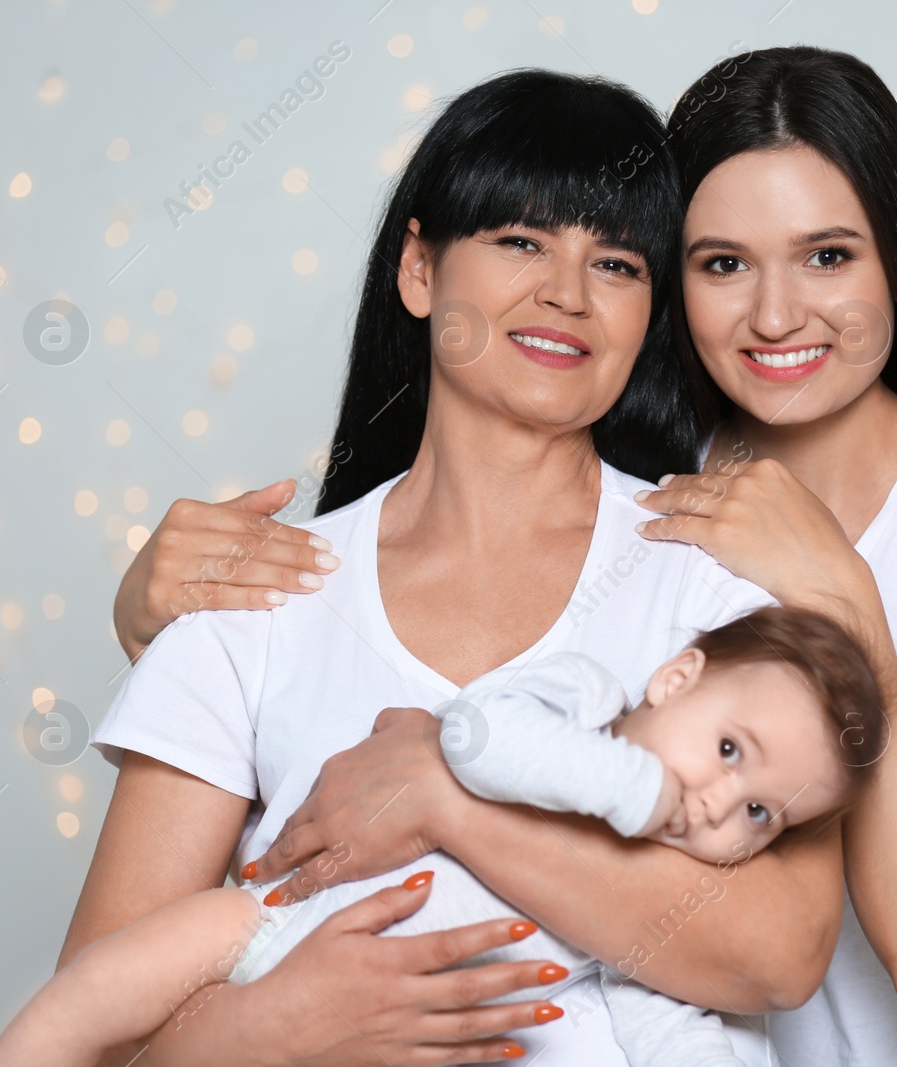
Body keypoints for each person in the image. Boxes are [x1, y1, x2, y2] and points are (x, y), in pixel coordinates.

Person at [114, 47, 897, 1066]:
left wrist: (843, 599)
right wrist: (165, 626)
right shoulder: (669, 500)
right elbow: (109, 1002)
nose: (775, 314)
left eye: (828, 255)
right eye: (721, 262)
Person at [62, 68, 852, 1067]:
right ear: (420, 271)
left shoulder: (716, 584)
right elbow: (92, 1022)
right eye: (521, 240)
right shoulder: (254, 598)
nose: (566, 294)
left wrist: (446, 793)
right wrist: (276, 1027)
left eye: (616, 264)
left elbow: (776, 954)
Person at [0, 608, 883, 1067]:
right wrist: (630, 785)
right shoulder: (586, 698)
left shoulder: (647, 904)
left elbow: (668, 1020)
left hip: (383, 1040)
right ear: (675, 678)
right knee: (86, 998)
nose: (720, 803)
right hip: (265, 925)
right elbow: (475, 739)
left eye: (763, 815)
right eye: (729, 750)